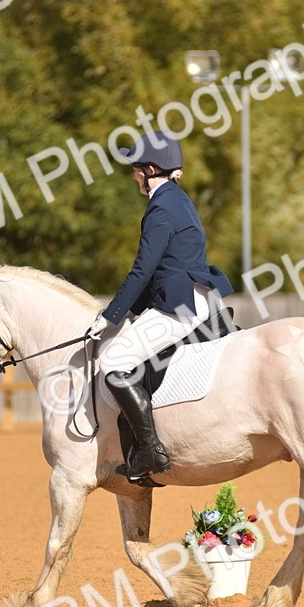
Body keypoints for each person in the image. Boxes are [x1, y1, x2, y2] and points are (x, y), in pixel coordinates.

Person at [89, 131, 234, 480]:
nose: (134, 175)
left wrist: (110, 316)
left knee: (113, 361)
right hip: (191, 296)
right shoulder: (177, 199)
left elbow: (143, 270)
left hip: (178, 306)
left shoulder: (161, 207)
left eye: (137, 169)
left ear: (151, 169)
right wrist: (132, 313)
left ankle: (151, 450)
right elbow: (160, 270)